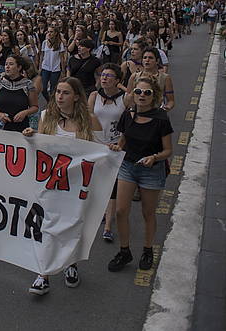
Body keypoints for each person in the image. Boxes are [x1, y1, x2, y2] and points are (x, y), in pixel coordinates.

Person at [23, 77, 102, 295]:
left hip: (77, 186)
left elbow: (100, 154)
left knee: (73, 225)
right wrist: (32, 137)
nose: (59, 96)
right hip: (52, 183)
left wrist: (112, 149)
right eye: (58, 91)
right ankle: (43, 274)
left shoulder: (90, 121)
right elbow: (41, 150)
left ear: (76, 96)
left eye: (65, 92)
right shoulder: (46, 117)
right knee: (48, 226)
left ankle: (70, 264)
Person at [108, 77, 173, 272]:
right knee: (120, 211)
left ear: (154, 96)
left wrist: (154, 157)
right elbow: (123, 140)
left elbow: (168, 151)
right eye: (138, 92)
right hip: (128, 166)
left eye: (147, 93)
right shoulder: (128, 115)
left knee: (148, 213)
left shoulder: (161, 118)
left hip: (151, 171)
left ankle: (147, 249)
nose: (141, 96)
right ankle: (124, 251)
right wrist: (116, 147)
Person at [88, 63, 126, 242]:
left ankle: (108, 226)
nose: (104, 78)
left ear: (118, 81)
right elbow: (87, 119)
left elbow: (128, 125)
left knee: (112, 186)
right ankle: (102, 212)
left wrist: (119, 144)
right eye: (102, 75)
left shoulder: (125, 99)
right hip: (96, 145)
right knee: (96, 182)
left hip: (115, 146)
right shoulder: (94, 96)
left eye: (109, 76)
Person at [0, 55, 38, 132]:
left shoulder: (28, 84)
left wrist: (25, 113)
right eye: (6, 64)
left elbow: (35, 107)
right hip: (0, 126)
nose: (7, 66)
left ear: (19, 67)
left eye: (11, 64)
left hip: (20, 127)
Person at [39, 26, 66, 102]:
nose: (49, 33)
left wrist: (63, 70)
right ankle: (49, 101)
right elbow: (42, 55)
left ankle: (52, 104)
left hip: (55, 68)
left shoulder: (60, 43)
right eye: (48, 32)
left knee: (53, 89)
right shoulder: (44, 43)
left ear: (55, 33)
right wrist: (40, 67)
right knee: (43, 88)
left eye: (51, 32)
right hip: (45, 67)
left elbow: (62, 58)